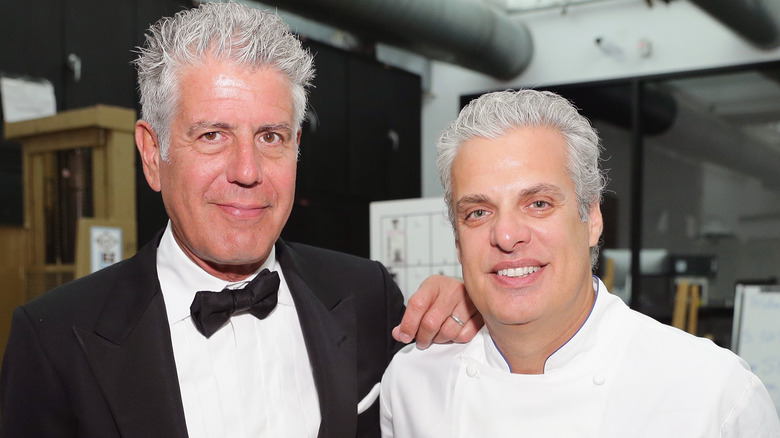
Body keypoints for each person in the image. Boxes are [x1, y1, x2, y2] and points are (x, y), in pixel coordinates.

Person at [0, 3, 478, 437]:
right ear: (152, 154)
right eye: (212, 135)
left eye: (271, 136)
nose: (247, 172)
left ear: (296, 148)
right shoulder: (54, 338)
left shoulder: (367, 296)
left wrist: (478, 319)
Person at [380, 89, 780, 437]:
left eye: (538, 204)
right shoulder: (412, 382)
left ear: (593, 219)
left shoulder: (712, 395)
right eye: (478, 212)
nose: (506, 236)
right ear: (457, 240)